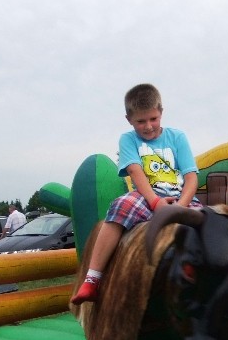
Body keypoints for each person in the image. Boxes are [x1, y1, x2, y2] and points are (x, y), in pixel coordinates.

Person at [70, 83, 201, 305]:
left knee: (208, 220)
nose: (148, 126)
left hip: (180, 196)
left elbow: (191, 177)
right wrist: (156, 202)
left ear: (161, 112)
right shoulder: (128, 139)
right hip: (146, 195)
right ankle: (92, 279)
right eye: (141, 121)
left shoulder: (177, 137)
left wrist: (181, 207)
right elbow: (135, 172)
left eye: (153, 119)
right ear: (129, 119)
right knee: (120, 206)